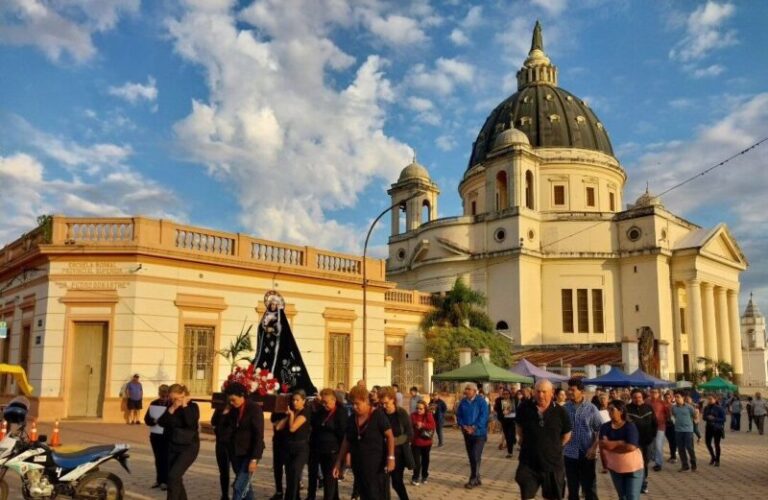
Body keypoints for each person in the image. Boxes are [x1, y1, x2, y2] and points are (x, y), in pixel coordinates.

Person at [333, 385, 395, 500]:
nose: (354, 407)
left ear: (366, 401)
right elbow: (346, 441)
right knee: (364, 495)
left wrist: (391, 458)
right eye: (352, 404)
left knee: (377, 495)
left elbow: (390, 436)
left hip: (377, 466)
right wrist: (338, 462)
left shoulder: (378, 415)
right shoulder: (352, 419)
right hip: (359, 466)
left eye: (357, 404)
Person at [515, 379, 572, 500]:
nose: (541, 395)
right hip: (528, 462)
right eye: (538, 391)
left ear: (552, 393)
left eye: (544, 392)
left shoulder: (561, 411)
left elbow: (567, 435)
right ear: (534, 392)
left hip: (552, 465)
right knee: (526, 495)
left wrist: (553, 447)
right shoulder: (524, 408)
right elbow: (519, 429)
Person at [252, 291, 317, 394]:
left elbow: (282, 331)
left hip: (277, 347)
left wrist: (272, 330)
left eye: (274, 304)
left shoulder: (279, 317)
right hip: (266, 347)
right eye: (271, 304)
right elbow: (260, 328)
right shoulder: (266, 316)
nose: (272, 306)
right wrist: (264, 329)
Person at [223, 382, 264, 500]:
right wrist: (225, 413)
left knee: (238, 486)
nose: (231, 403)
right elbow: (222, 429)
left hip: (250, 453)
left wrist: (254, 459)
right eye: (229, 400)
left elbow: (258, 435)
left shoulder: (254, 408)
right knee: (246, 486)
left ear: (242, 395)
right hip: (236, 453)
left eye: (233, 400)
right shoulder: (232, 409)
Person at [157, 384, 199, 500]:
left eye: (176, 398)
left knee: (173, 476)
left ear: (183, 395)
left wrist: (185, 405)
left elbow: (191, 423)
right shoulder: (171, 407)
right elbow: (161, 422)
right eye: (171, 399)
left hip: (189, 447)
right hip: (173, 445)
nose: (174, 401)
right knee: (175, 479)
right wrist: (172, 408)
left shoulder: (193, 407)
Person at [563, 378, 601, 500]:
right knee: (572, 488)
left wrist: (594, 448)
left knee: (590, 488)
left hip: (587, 454)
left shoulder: (592, 409)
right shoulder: (564, 408)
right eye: (568, 389)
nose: (569, 392)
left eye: (572, 390)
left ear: (581, 391)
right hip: (569, 453)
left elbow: (600, 429)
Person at [308, 388, 348, 500]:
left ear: (334, 400)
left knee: (329, 479)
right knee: (324, 478)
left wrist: (343, 455)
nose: (324, 404)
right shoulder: (320, 411)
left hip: (332, 451)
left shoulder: (341, 412)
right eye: (323, 402)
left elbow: (343, 434)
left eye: (326, 402)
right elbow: (314, 425)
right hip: (318, 448)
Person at [599, 400, 644, 500]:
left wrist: (612, 445)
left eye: (612, 409)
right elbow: (603, 445)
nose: (609, 412)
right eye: (608, 409)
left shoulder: (630, 426)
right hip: (615, 467)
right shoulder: (605, 427)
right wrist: (620, 443)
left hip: (633, 468)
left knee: (632, 497)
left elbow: (631, 447)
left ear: (621, 411)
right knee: (622, 496)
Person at [276, 390, 311, 500]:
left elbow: (292, 428)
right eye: (293, 400)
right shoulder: (292, 412)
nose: (295, 402)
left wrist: (291, 416)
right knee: (290, 476)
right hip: (289, 448)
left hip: (300, 448)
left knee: (295, 474)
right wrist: (288, 416)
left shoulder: (305, 412)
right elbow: (278, 427)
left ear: (303, 401)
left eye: (297, 400)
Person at [379, 386, 413, 500]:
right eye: (382, 403)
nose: (384, 406)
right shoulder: (379, 413)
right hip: (382, 453)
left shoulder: (401, 413)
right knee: (382, 484)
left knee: (397, 483)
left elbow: (409, 434)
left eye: (386, 403)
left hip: (398, 454)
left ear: (393, 399)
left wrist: (393, 441)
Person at [456, 382, 489, 489]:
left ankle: (473, 479)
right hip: (467, 433)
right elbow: (459, 415)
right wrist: (463, 425)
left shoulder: (481, 402)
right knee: (472, 456)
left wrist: (474, 427)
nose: (466, 391)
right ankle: (477, 477)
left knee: (475, 455)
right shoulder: (463, 402)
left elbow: (484, 417)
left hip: (479, 434)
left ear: (475, 391)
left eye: (468, 389)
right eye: (466, 389)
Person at [626, 388, 657, 494]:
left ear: (642, 397)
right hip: (634, 442)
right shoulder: (627, 409)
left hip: (648, 441)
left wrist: (653, 436)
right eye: (634, 397)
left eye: (639, 397)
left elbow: (654, 422)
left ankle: (643, 482)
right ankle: (637, 484)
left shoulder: (649, 408)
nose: (637, 399)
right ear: (631, 398)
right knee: (636, 463)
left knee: (645, 462)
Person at [145, 384, 170, 491]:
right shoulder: (154, 403)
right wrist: (153, 421)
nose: (164, 398)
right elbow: (146, 419)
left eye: (165, 396)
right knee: (158, 458)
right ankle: (159, 480)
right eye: (162, 396)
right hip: (155, 436)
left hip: (167, 435)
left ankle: (165, 481)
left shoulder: (171, 404)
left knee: (166, 459)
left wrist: (162, 421)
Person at [211, 397, 233, 500]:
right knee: (223, 472)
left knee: (238, 470)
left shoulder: (237, 409)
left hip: (234, 445)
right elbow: (213, 422)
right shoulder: (220, 408)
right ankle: (224, 495)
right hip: (221, 444)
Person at [410, 400, 435, 485]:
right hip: (415, 442)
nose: (418, 410)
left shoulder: (428, 415)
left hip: (426, 442)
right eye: (417, 408)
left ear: (425, 409)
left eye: (421, 408)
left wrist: (423, 425)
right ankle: (415, 477)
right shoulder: (413, 415)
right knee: (416, 461)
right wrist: (415, 424)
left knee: (425, 460)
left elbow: (432, 425)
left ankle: (424, 476)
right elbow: (409, 425)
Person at [671, 392, 697, 472]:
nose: (676, 398)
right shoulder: (674, 408)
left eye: (678, 397)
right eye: (675, 397)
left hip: (688, 430)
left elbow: (694, 416)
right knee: (680, 448)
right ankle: (685, 465)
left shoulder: (689, 407)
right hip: (678, 430)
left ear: (683, 397)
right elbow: (674, 416)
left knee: (689, 447)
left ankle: (693, 464)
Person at [647, 388, 669, 472]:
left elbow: (668, 414)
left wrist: (664, 420)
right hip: (649, 426)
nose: (653, 394)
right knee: (651, 445)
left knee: (658, 445)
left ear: (659, 393)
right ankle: (651, 458)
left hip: (660, 426)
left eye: (655, 392)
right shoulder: (647, 402)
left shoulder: (662, 403)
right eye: (652, 392)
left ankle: (658, 463)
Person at [494, 388, 518, 458]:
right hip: (504, 421)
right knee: (507, 436)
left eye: (507, 394)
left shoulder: (513, 400)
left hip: (512, 421)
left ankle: (513, 441)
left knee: (511, 435)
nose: (505, 395)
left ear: (509, 394)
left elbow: (517, 409)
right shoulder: (499, 400)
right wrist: (502, 412)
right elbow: (496, 409)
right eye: (504, 394)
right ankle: (510, 452)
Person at [270, 409, 289, 500]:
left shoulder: (294, 411)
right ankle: (279, 491)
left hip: (289, 442)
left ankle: (291, 492)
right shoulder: (277, 410)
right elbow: (274, 422)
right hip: (278, 441)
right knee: (277, 467)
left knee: (290, 470)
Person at [703, 394, 725, 466]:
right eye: (708, 399)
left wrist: (714, 419)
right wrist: (707, 417)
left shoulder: (719, 408)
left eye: (711, 399)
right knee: (708, 443)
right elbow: (703, 417)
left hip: (717, 428)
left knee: (716, 444)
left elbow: (724, 419)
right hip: (709, 427)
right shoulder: (706, 408)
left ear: (715, 400)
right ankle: (713, 456)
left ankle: (717, 460)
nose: (709, 400)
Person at [662, 392, 677, 464]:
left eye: (669, 398)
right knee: (670, 441)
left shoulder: (673, 406)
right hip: (666, 425)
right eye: (666, 398)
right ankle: (672, 456)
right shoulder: (663, 406)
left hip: (673, 425)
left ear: (671, 398)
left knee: (673, 441)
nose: (667, 399)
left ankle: (674, 456)